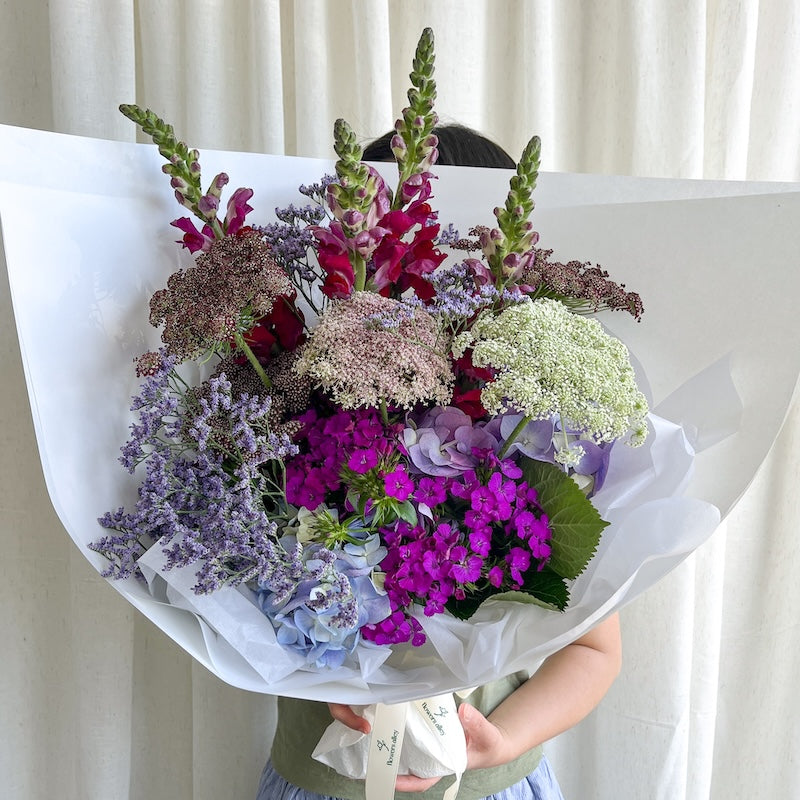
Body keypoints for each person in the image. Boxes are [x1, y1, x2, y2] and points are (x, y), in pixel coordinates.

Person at [256, 125, 623, 800]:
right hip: (320, 783)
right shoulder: (292, 422)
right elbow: (239, 597)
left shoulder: (535, 445)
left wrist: (501, 739)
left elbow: (594, 649)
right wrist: (319, 666)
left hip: (490, 784)